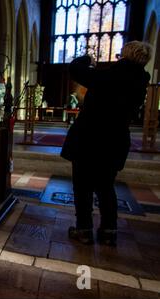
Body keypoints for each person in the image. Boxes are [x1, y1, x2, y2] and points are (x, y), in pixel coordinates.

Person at [61, 41, 152, 246]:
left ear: (126, 55)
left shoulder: (111, 76)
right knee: (106, 187)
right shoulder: (140, 81)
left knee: (83, 186)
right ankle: (108, 231)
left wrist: (88, 59)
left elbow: (75, 68)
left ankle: (84, 230)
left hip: (90, 139)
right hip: (116, 141)